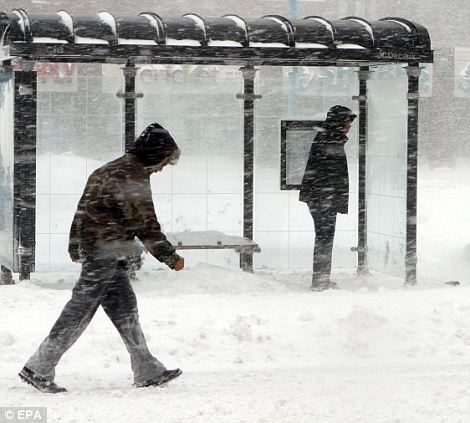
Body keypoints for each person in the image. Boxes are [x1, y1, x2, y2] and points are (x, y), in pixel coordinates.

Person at [19, 123, 185, 393]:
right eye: (164, 162)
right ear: (155, 155)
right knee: (81, 308)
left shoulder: (109, 169)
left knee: (125, 306)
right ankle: (39, 366)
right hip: (105, 250)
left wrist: (76, 246)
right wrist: (169, 256)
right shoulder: (131, 175)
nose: (162, 168)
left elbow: (83, 209)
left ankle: (147, 368)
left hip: (101, 248)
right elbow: (145, 223)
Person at [299, 105, 356, 291]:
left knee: (324, 237)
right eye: (347, 122)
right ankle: (320, 281)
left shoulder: (329, 137)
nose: (349, 126)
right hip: (323, 198)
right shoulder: (330, 140)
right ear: (339, 123)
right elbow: (329, 174)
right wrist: (330, 198)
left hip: (322, 197)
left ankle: (321, 278)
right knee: (324, 237)